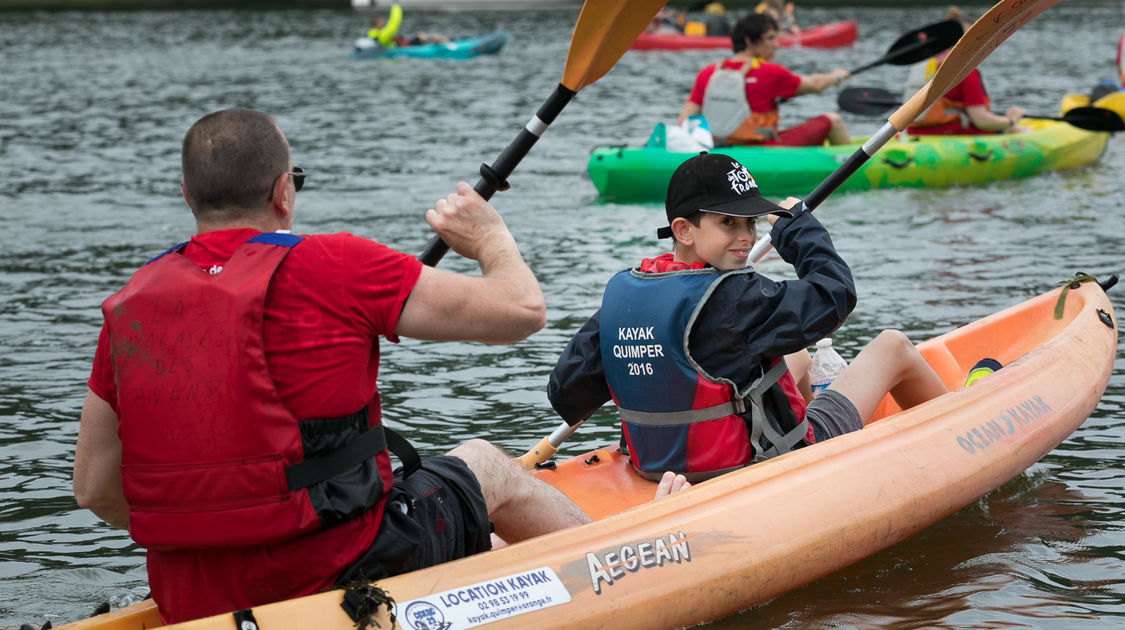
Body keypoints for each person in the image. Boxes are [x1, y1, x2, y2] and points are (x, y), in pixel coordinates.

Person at [71, 108, 592, 624]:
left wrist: (213, 534)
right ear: (283, 192)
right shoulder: (338, 266)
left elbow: (94, 488)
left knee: (474, 527)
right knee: (486, 464)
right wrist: (488, 238)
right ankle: (622, 566)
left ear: (188, 195)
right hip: (339, 578)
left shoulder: (129, 305)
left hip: (192, 597)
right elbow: (522, 310)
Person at [546, 153, 949, 483]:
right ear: (684, 230)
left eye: (750, 222)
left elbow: (565, 391)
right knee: (893, 345)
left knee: (801, 356)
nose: (746, 237)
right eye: (728, 223)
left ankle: (801, 420)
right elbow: (835, 294)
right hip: (750, 469)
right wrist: (800, 230)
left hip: (656, 471)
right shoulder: (736, 298)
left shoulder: (623, 295)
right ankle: (964, 431)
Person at [676, 13, 850, 147]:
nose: (777, 44)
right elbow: (816, 84)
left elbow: (683, 121)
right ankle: (859, 168)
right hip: (765, 148)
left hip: (719, 146)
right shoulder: (770, 71)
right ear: (749, 41)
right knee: (833, 119)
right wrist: (836, 76)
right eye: (770, 38)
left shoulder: (708, 73)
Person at [905, 7, 1027, 135]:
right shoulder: (966, 72)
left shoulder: (925, 64)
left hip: (914, 132)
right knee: (1017, 130)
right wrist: (1011, 120)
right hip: (950, 133)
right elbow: (981, 121)